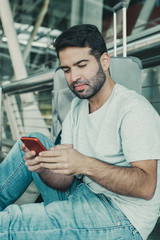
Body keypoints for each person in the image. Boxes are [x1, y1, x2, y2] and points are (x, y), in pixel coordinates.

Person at [0, 24, 160, 240]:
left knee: (9, 224)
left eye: (81, 65)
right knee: (32, 142)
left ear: (104, 61)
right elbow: (65, 181)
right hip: (81, 193)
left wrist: (83, 163)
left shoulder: (133, 109)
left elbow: (146, 187)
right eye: (66, 69)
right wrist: (44, 169)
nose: (74, 77)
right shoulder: (78, 107)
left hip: (120, 216)